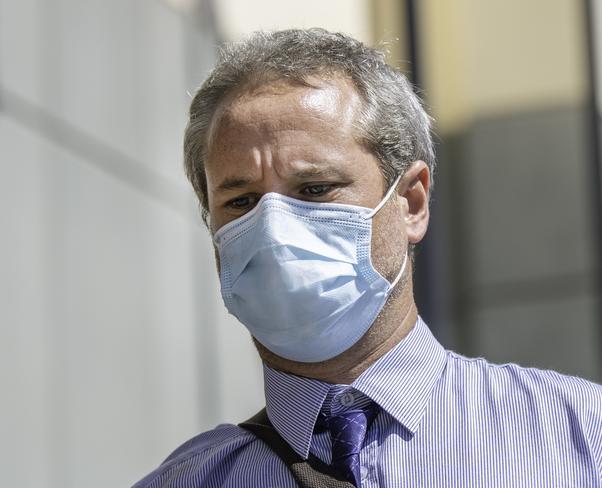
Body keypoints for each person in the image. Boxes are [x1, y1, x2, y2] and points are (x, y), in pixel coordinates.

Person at [133, 28, 602, 488]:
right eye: (241, 202)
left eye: (314, 189)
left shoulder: (580, 437)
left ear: (411, 203)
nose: (274, 230)